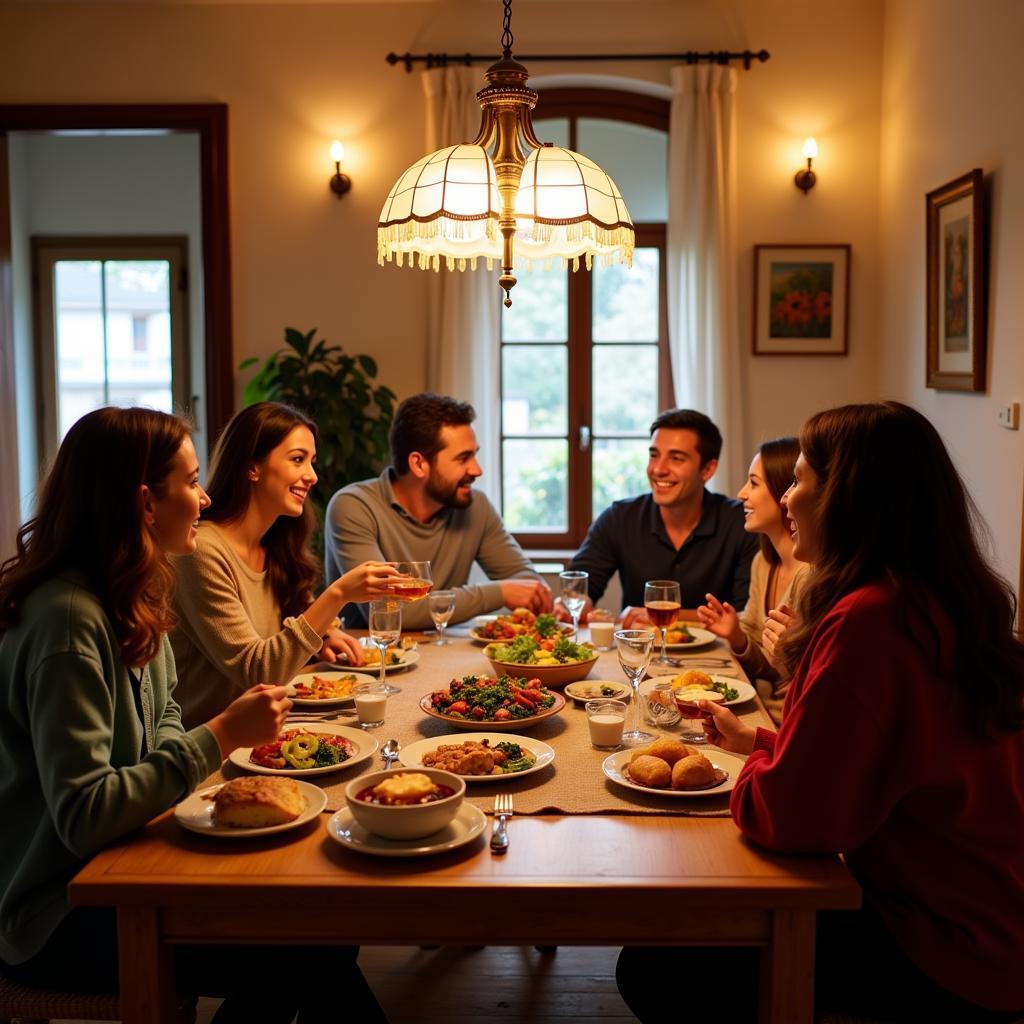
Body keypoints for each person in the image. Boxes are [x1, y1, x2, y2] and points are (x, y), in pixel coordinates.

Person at [617, 402, 1024, 1023]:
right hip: (996, 919)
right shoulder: (939, 595)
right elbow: (861, 758)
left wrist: (754, 775)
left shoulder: (869, 620)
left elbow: (793, 821)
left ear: (849, 497)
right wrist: (758, 745)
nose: (786, 500)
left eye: (801, 480)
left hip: (945, 946)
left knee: (653, 966)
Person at [0, 407, 389, 1023]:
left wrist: (208, 750)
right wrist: (223, 735)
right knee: (307, 951)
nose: (205, 498)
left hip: (135, 858)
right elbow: (82, 815)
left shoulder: (132, 595)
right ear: (145, 503)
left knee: (321, 925)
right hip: (59, 911)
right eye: (190, 481)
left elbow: (166, 729)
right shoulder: (70, 620)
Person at [171, 402, 398, 729]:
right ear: (253, 467)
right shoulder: (202, 550)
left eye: (312, 462)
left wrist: (325, 635)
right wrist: (338, 594)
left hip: (270, 727)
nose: (312, 475)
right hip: (209, 746)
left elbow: (294, 617)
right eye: (297, 460)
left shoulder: (275, 544)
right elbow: (258, 671)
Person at [325, 392, 552, 629]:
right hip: (371, 660)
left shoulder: (476, 507)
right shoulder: (353, 507)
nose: (477, 470)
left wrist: (527, 593)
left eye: (475, 455)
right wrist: (498, 593)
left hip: (445, 654)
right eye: (463, 458)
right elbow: (389, 611)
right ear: (418, 464)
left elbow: (529, 585)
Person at [564, 408, 758, 625]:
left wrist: (658, 614)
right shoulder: (619, 518)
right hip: (637, 655)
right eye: (654, 455)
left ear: (708, 469)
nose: (658, 469)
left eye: (676, 458)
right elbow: (580, 585)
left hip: (717, 656)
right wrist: (575, 603)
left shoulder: (742, 523)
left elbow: (746, 613)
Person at [696, 437, 809, 724]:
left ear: (784, 490)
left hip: (781, 722)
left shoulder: (809, 575)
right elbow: (765, 663)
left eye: (754, 483)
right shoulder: (764, 562)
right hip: (760, 708)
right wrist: (736, 635)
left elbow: (783, 674)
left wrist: (772, 651)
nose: (742, 493)